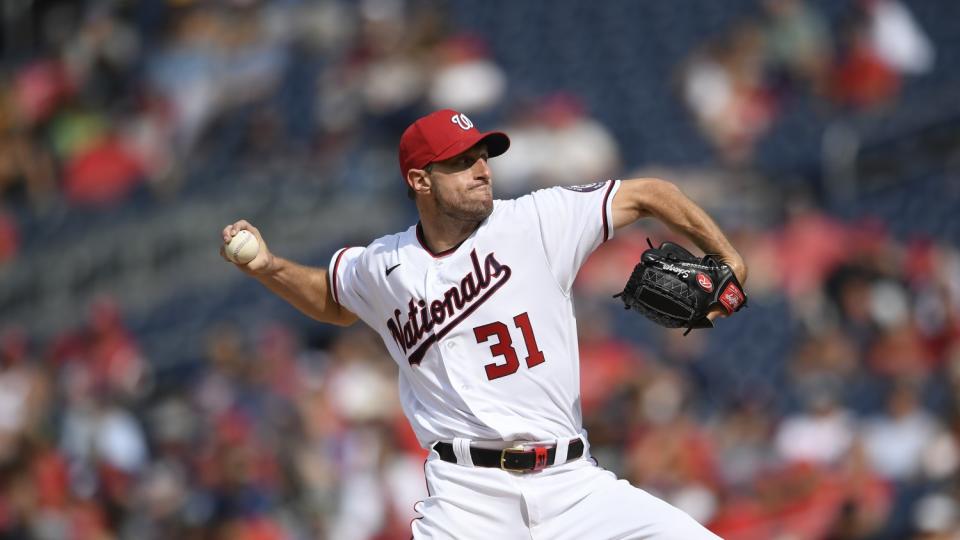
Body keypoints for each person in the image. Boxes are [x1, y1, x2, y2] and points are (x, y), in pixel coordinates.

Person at [220, 109, 746, 538]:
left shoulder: (537, 219)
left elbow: (650, 193)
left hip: (574, 485)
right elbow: (332, 300)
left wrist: (730, 261)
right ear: (420, 179)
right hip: (467, 501)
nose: (482, 169)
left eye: (482, 156)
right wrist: (268, 267)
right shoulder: (383, 265)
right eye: (462, 162)